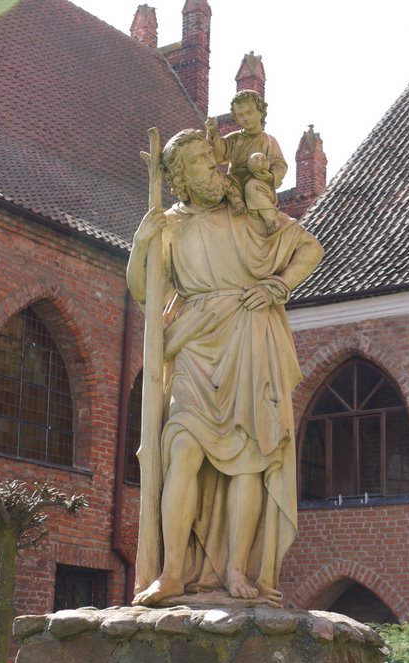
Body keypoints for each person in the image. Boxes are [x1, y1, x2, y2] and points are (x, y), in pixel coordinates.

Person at [127, 129, 323, 607]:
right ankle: (172, 573)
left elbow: (308, 250)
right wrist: (140, 242)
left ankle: (239, 571)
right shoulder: (168, 225)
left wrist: (277, 286)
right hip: (194, 342)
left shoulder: (247, 216)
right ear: (179, 178)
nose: (214, 170)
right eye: (200, 163)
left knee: (249, 463)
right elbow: (146, 293)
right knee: (182, 449)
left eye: (213, 161)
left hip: (249, 338)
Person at [205, 89, 288, 234]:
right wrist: (212, 133)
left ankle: (269, 218)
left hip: (259, 181)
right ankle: (237, 204)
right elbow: (219, 155)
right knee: (224, 182)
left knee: (252, 186)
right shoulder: (235, 138)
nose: (245, 118)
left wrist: (271, 176)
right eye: (240, 115)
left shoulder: (268, 141)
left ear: (261, 112)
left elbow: (280, 164)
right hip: (236, 179)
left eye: (249, 113)